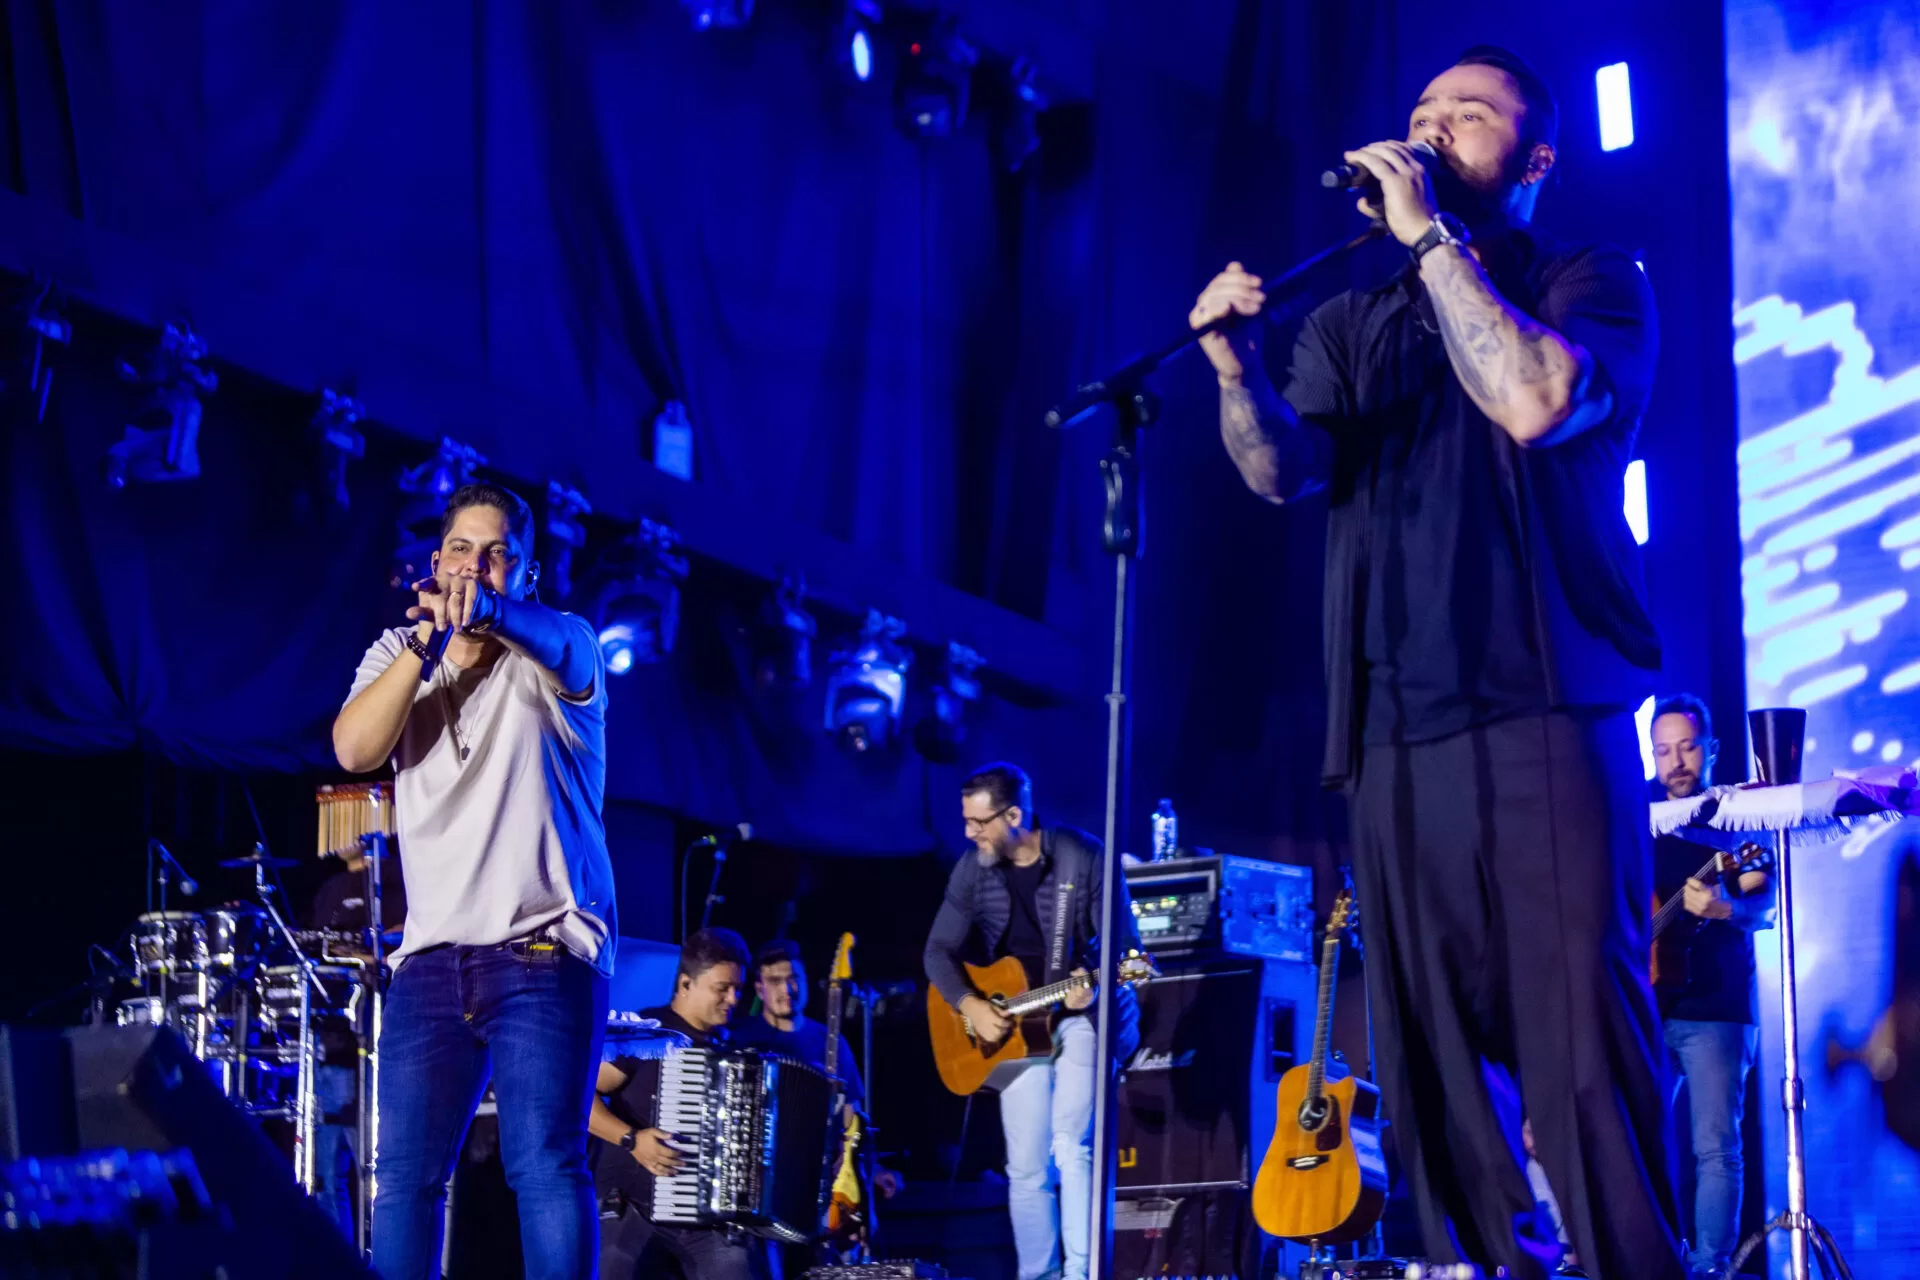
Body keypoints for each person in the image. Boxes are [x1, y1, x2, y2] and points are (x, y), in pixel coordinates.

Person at [1190, 45, 1681, 1280]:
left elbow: (1535, 399)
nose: (1432, 130)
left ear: (1537, 158)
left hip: (1549, 713)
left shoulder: (1592, 279)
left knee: (1582, 1048)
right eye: (1421, 114)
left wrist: (1429, 240)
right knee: (1431, 1065)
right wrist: (1234, 372)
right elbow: (1278, 470)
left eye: (1468, 115)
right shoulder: (1353, 324)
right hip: (1394, 732)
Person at [332, 481, 614, 1279]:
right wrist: (426, 646)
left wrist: (489, 614)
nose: (475, 566)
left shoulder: (562, 646)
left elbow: (557, 647)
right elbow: (354, 750)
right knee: (402, 1182)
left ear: (525, 575)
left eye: (498, 555)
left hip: (542, 952)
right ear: (436, 560)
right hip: (429, 961)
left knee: (545, 1165)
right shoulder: (397, 652)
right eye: (462, 549)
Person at [923, 763, 1141, 1280]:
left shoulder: (1083, 857)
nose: (968, 833)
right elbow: (937, 952)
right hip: (1018, 1028)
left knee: (1071, 1145)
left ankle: (1083, 1274)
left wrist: (1096, 984)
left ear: (1014, 816)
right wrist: (971, 1006)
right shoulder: (973, 869)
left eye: (978, 822)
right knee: (1025, 1167)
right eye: (966, 821)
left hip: (1078, 1016)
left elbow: (1129, 951)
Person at [1650, 695, 1774, 1277]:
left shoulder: (1737, 821)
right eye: (1663, 750)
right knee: (1637, 1141)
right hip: (1649, 1005)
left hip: (1717, 1009)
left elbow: (1763, 907)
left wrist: (1723, 909)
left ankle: (1709, 1269)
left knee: (1715, 1148)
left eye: (1687, 747)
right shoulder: (1642, 821)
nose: (1676, 762)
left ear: (1712, 749)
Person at [591, 928, 762, 1280]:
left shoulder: (735, 1054)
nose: (733, 999)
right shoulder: (647, 1033)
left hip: (707, 1220)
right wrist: (631, 1139)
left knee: (740, 1267)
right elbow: (579, 1098)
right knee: (614, 1265)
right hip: (633, 1204)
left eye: (738, 989)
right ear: (685, 984)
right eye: (722, 988)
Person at [303, 845, 409, 1238]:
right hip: (327, 1039)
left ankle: (380, 1255)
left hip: (372, 1039)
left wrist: (365, 953)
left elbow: (406, 940)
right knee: (324, 1175)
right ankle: (336, 1261)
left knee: (375, 1170)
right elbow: (314, 948)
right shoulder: (331, 887)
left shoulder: (394, 880)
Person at [730, 941, 865, 1110]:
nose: (786, 989)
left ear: (805, 981)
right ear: (759, 990)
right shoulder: (737, 1036)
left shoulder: (832, 1041)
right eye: (775, 981)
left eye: (793, 979)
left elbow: (851, 1108)